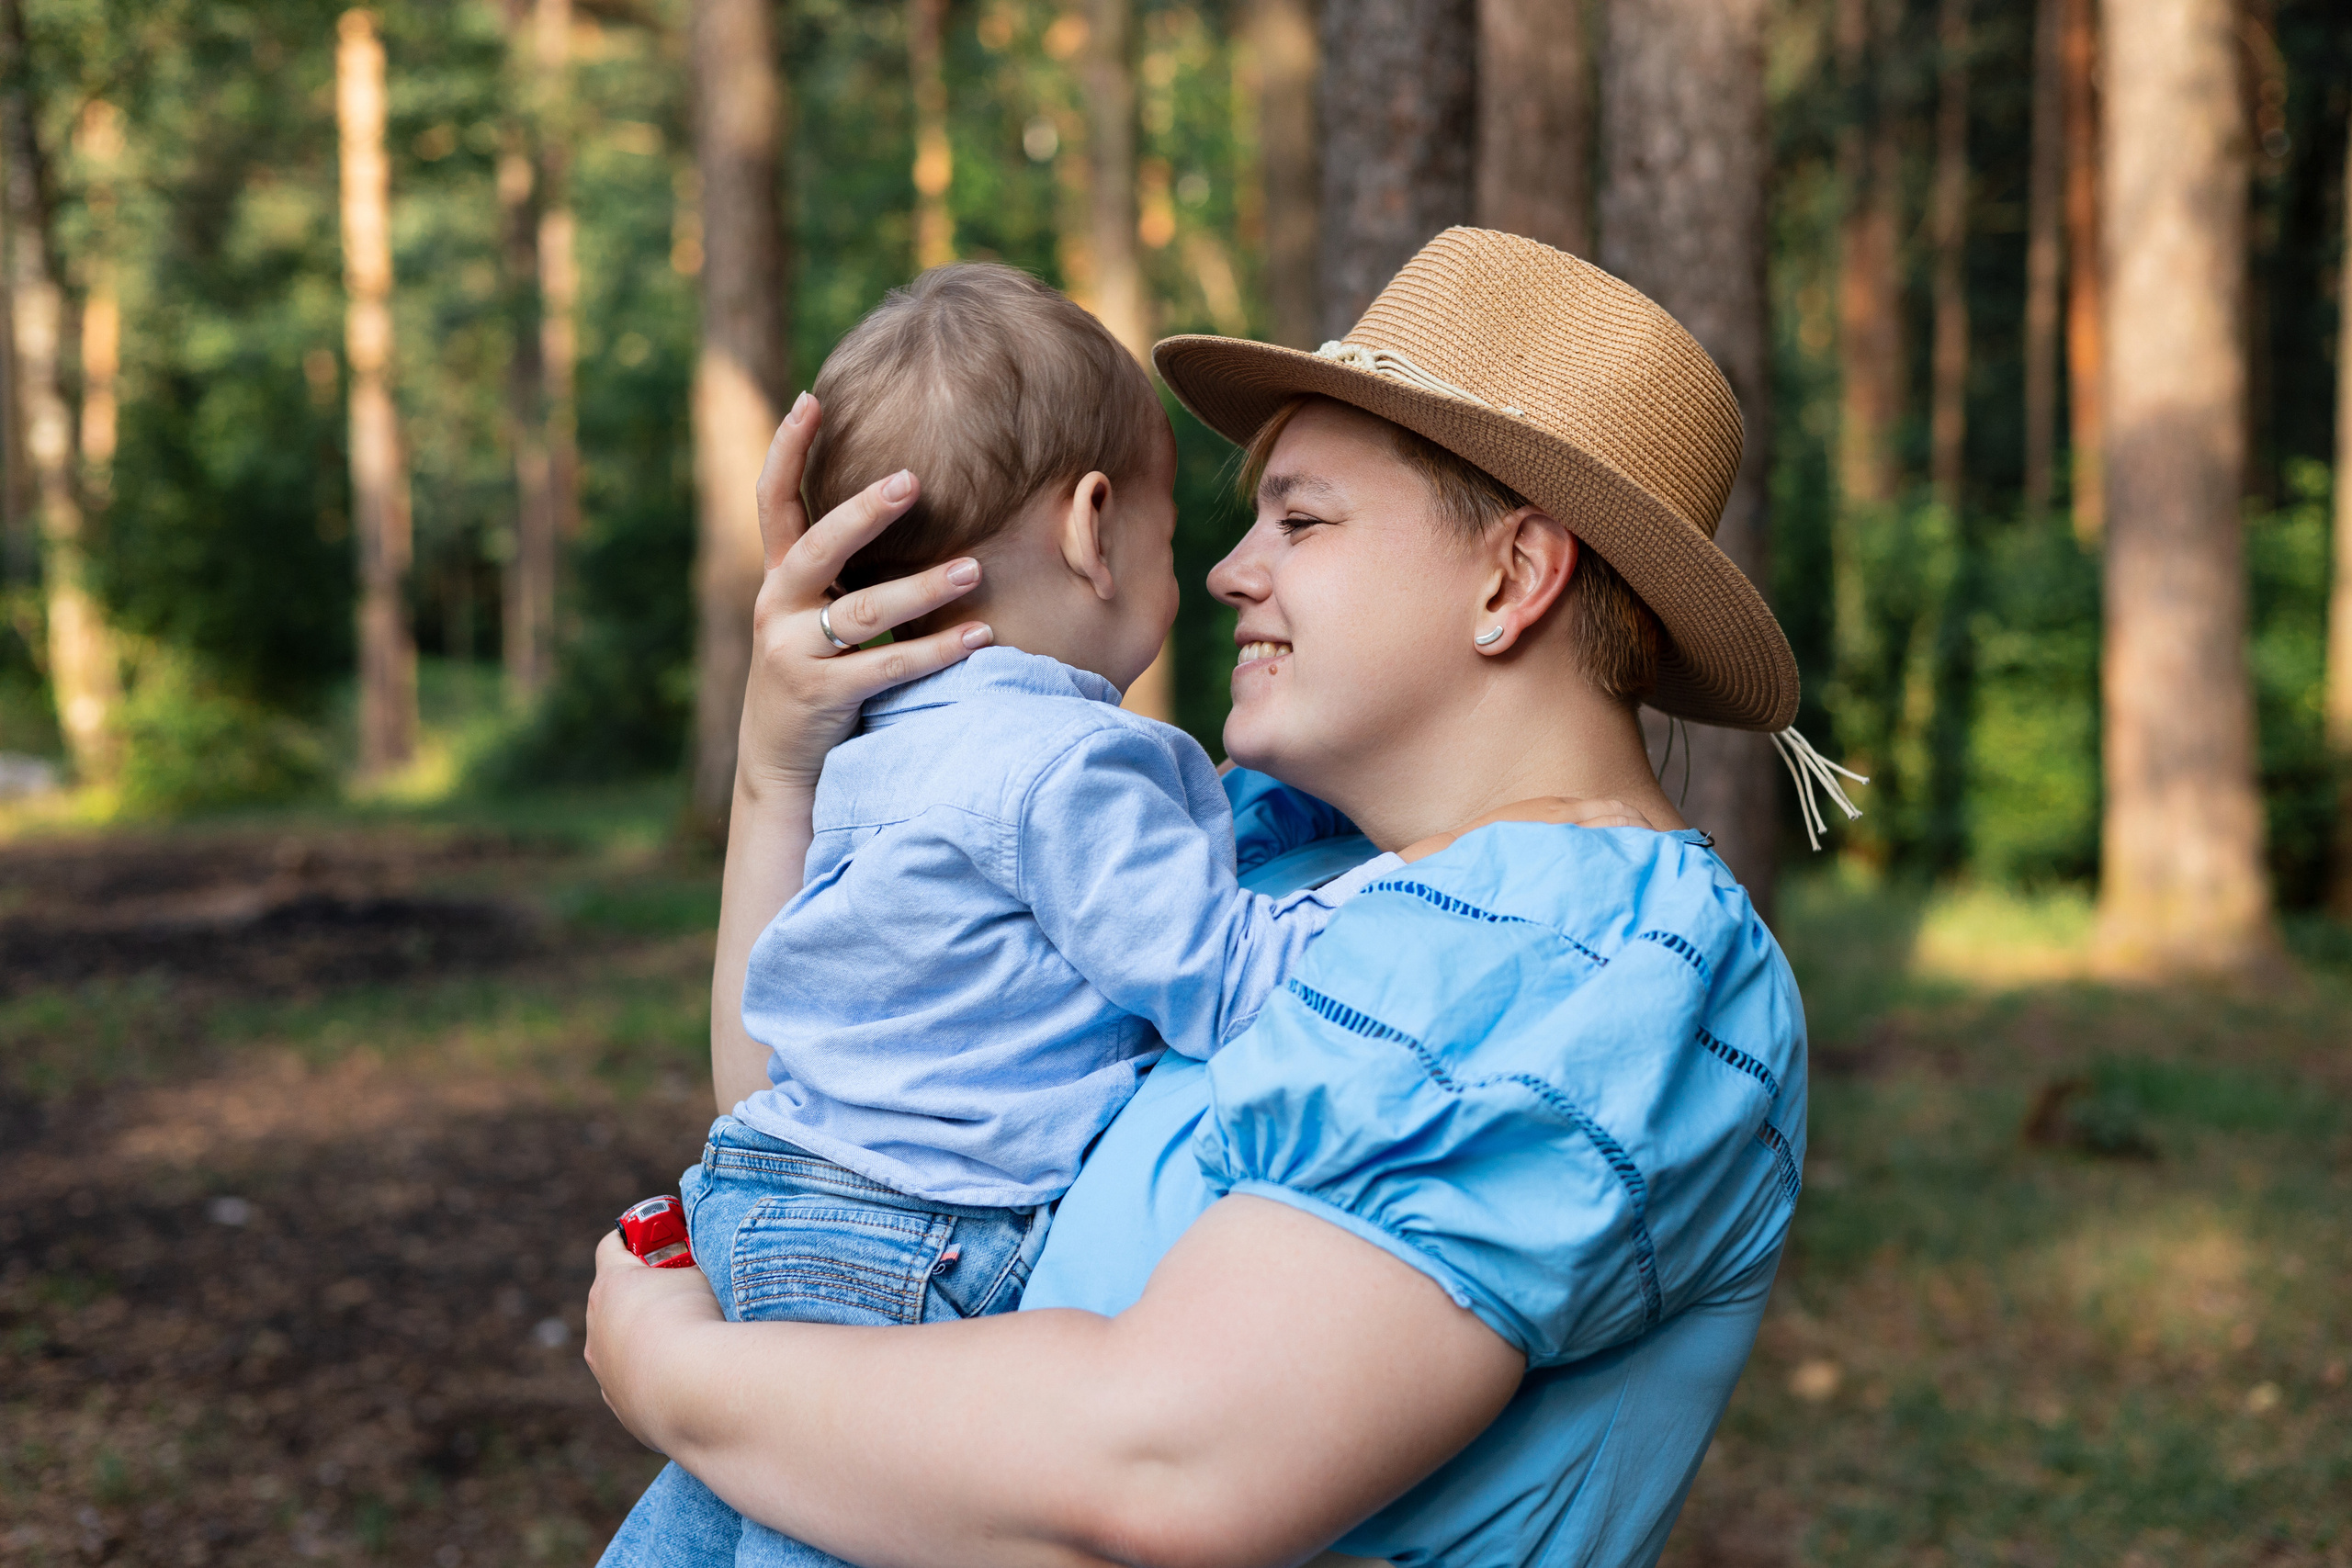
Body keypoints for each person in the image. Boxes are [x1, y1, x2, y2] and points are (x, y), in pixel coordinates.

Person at [591, 228, 1831, 1568]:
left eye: (1300, 519)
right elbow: (843, 1119)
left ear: (1511, 576)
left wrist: (681, 1380)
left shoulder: (1594, 958)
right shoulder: (1279, 864)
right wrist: (787, 769)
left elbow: (1170, 1469)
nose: (1230, 572)